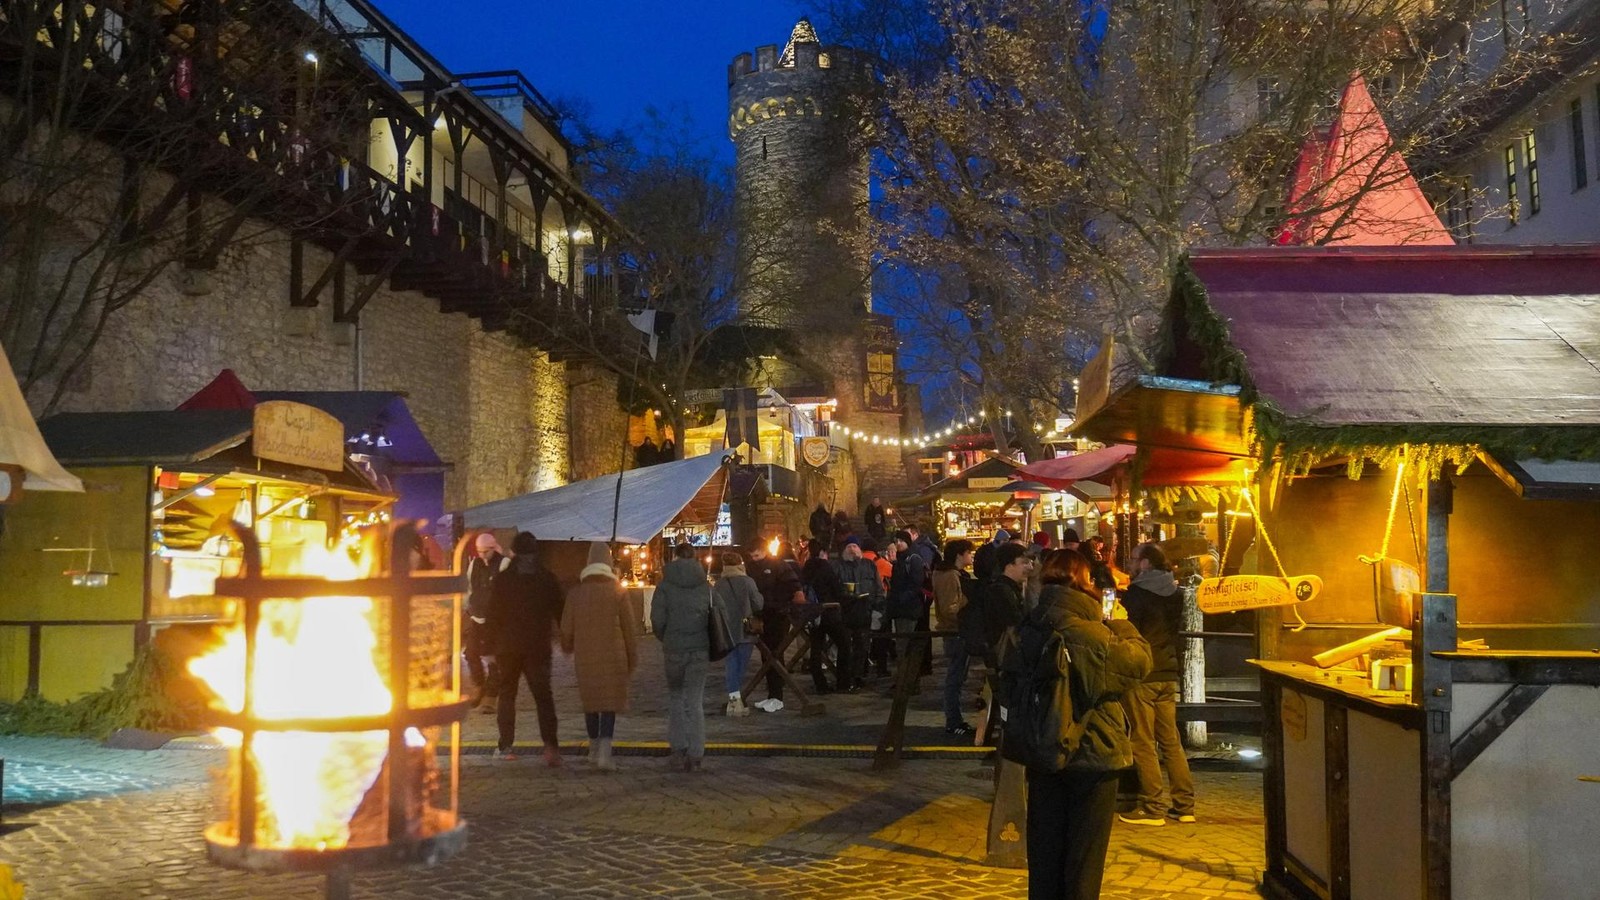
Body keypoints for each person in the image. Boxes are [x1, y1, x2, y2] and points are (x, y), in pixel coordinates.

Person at [1022, 549, 1152, 900]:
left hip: (1043, 751)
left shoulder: (1029, 627)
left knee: (1045, 853)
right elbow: (1138, 663)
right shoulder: (1092, 634)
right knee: (1084, 859)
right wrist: (1121, 622)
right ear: (1082, 582)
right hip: (1092, 755)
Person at [1117, 545, 1196, 826]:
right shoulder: (1175, 593)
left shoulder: (1137, 594)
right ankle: (1184, 805)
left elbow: (1124, 628)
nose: (1130, 563)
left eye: (1134, 559)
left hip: (1143, 672)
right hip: (1167, 670)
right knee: (1171, 741)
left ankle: (1152, 807)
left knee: (1142, 739)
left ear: (1146, 563)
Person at [486, 531, 564, 765]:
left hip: (507, 646)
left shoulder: (503, 579)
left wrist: (490, 645)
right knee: (543, 697)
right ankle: (551, 748)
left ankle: (506, 746)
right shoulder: (546, 578)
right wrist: (566, 637)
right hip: (537, 646)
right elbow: (560, 609)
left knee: (507, 695)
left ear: (514, 552)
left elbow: (493, 615)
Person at [559, 542, 638, 771]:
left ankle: (593, 750)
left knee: (591, 702)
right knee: (608, 703)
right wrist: (632, 659)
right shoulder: (618, 592)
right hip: (614, 657)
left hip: (585, 658)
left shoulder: (576, 593)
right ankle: (605, 752)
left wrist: (567, 648)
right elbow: (629, 630)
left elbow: (566, 629)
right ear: (609, 563)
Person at [651, 543, 712, 772]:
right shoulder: (704, 586)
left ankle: (678, 748)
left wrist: (667, 637)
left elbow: (657, 619)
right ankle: (696, 753)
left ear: (674, 557)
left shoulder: (665, 586)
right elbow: (718, 613)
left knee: (676, 698)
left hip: (674, 649)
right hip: (699, 649)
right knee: (695, 701)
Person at [748, 540, 804, 703]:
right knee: (767, 653)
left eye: (757, 555)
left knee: (776, 651)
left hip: (779, 613)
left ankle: (776, 690)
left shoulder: (778, 565)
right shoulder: (751, 567)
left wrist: (793, 597)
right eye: (752, 556)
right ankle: (773, 687)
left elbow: (793, 584)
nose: (755, 558)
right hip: (762, 613)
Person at [932, 539, 977, 736]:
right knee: (955, 678)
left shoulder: (945, 573)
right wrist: (968, 599)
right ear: (960, 554)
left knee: (956, 677)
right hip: (955, 631)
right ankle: (953, 720)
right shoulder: (950, 576)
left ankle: (954, 719)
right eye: (969, 552)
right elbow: (950, 608)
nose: (971, 556)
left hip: (955, 631)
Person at [713, 550, 764, 717]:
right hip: (745, 628)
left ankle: (734, 699)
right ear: (740, 564)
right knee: (741, 664)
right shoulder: (748, 581)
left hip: (726, 630)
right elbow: (758, 604)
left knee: (731, 663)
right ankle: (736, 699)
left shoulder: (719, 584)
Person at [801, 539, 853, 694]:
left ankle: (820, 684)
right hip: (829, 612)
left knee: (816, 648)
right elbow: (836, 590)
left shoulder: (806, 568)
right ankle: (843, 682)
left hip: (813, 613)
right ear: (823, 552)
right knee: (844, 644)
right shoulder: (825, 567)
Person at [464, 532, 509, 711]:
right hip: (477, 616)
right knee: (470, 653)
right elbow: (469, 587)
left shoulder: (504, 564)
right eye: (479, 551)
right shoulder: (474, 564)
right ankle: (479, 686)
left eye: (485, 552)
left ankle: (491, 696)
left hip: (496, 620)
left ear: (493, 548)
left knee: (493, 658)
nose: (482, 555)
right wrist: (467, 606)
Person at [832, 536, 881, 690]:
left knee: (862, 646)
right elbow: (833, 588)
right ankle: (844, 680)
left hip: (864, 612)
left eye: (855, 546)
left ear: (860, 549)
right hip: (845, 613)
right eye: (849, 547)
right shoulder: (837, 566)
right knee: (845, 647)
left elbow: (878, 587)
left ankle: (858, 676)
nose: (852, 549)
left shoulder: (869, 565)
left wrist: (878, 607)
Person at [887, 530, 930, 681]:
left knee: (904, 646)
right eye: (896, 540)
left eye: (901, 540)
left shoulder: (913, 559)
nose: (898, 543)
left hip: (908, 608)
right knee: (903, 646)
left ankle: (906, 681)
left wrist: (901, 598)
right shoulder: (900, 559)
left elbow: (916, 584)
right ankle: (906, 679)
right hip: (901, 609)